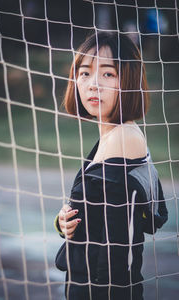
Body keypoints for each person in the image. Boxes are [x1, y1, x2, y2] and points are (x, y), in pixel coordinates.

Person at [54, 32, 168, 300]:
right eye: (85, 73)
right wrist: (62, 223)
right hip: (87, 282)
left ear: (128, 80)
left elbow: (121, 248)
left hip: (104, 290)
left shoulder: (124, 139)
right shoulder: (111, 136)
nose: (93, 84)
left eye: (108, 73)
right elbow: (89, 216)